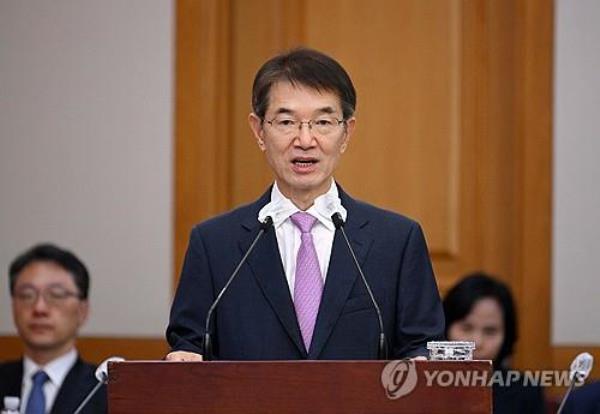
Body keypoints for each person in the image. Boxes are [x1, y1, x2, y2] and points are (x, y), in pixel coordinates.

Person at [166, 47, 444, 362]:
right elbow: (188, 344)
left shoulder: (396, 241)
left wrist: (420, 363)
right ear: (259, 131)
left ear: (346, 132)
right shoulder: (215, 244)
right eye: (286, 122)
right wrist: (185, 356)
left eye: (323, 122)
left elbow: (422, 345)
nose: (305, 140)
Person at [0, 244, 106, 414]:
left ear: (82, 310)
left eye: (56, 295)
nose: (39, 308)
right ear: (13, 306)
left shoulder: (104, 391)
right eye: (27, 295)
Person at [444, 272, 545, 414]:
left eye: (490, 331)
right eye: (466, 328)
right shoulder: (421, 386)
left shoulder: (526, 392)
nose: (477, 343)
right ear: (446, 327)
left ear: (507, 336)